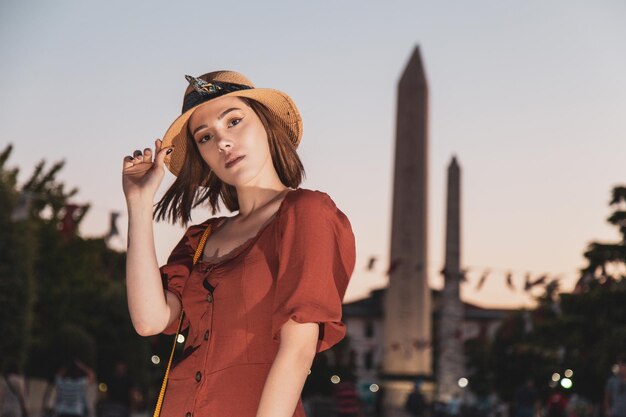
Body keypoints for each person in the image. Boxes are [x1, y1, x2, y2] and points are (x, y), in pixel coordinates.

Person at [122, 70, 356, 417]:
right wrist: (139, 205)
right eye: (205, 137)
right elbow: (149, 320)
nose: (222, 142)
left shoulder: (306, 213)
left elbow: (298, 349)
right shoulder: (200, 240)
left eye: (234, 121)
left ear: (265, 123)